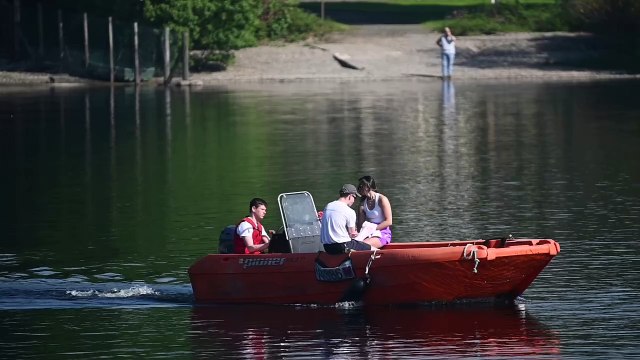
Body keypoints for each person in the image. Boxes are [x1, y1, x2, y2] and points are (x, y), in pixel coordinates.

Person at [321, 184, 373, 254]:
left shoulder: (328, 206)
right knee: (373, 249)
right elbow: (352, 234)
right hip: (341, 246)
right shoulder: (349, 211)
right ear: (350, 196)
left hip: (327, 247)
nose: (354, 201)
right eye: (355, 197)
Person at [356, 176, 393, 249]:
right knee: (354, 243)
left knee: (361, 245)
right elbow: (360, 225)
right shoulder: (362, 204)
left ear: (368, 186)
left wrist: (373, 229)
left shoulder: (382, 199)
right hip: (369, 232)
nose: (358, 188)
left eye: (361, 186)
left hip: (383, 233)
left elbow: (389, 221)